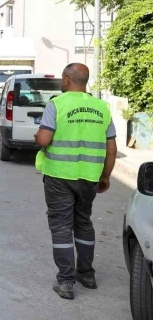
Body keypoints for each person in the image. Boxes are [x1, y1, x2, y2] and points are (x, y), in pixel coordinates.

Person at [34, 63, 117, 300]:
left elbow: (43, 139)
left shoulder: (57, 104)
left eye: (63, 78)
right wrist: (105, 176)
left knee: (61, 226)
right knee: (83, 222)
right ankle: (87, 274)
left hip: (59, 176)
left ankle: (66, 281)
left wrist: (37, 136)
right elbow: (111, 149)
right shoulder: (102, 108)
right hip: (89, 177)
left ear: (67, 79)